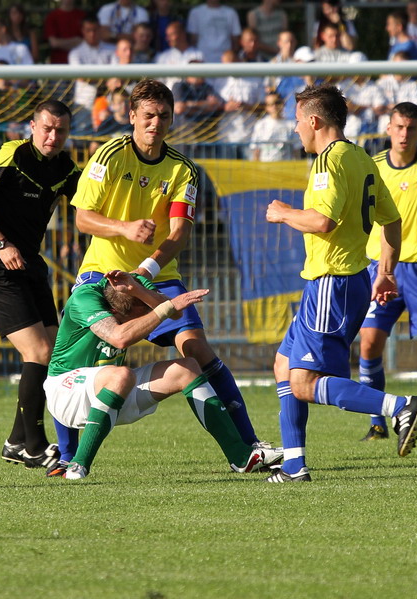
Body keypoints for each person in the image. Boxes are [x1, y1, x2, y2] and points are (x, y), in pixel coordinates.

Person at [64, 78, 280, 473]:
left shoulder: (183, 169)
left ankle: (248, 445)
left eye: (163, 116)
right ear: (132, 116)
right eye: (147, 115)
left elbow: (179, 233)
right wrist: (125, 229)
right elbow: (83, 218)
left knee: (197, 351)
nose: (155, 123)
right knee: (85, 361)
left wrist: (145, 271)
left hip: (157, 274)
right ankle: (65, 457)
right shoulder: (108, 155)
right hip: (102, 274)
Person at [264, 84, 417, 483]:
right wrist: (386, 271)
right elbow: (392, 221)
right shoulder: (362, 158)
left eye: (298, 121)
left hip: (331, 284)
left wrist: (284, 213)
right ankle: (293, 466)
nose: (296, 128)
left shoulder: (329, 161)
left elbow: (322, 221)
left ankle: (399, 406)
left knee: (304, 383)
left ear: (315, 121)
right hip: (346, 281)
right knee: (284, 364)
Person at [45, 271, 270, 479]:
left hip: (112, 389)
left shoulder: (132, 283)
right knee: (121, 375)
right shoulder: (84, 298)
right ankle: (78, 465)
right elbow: (119, 337)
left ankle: (240, 457)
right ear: (115, 312)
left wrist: (138, 290)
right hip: (66, 391)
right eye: (142, 317)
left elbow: (176, 312)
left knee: (188, 368)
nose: (149, 324)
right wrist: (162, 310)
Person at [0, 100, 80, 471]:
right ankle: (34, 446)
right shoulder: (11, 154)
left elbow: (89, 207)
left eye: (60, 130)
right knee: (39, 351)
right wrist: (1, 243)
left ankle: (15, 441)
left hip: (29, 265)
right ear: (32, 125)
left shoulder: (65, 167)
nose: (52, 136)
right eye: (46, 128)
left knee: (53, 351)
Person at [357, 103, 417, 440]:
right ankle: (377, 422)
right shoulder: (372, 168)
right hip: (381, 267)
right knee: (368, 344)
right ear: (388, 129)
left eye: (411, 128)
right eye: (398, 127)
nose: (404, 134)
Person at [249, 92, 296, 161]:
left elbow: (296, 150)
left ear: (282, 104)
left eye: (277, 103)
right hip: (266, 167)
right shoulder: (261, 125)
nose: (274, 106)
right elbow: (256, 150)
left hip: (286, 167)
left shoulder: (291, 124)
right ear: (266, 107)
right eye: (270, 104)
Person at [43, 0, 85, 65]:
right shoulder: (52, 17)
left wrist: (62, 43)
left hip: (81, 63)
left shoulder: (82, 16)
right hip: (59, 64)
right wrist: (76, 40)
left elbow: (87, 41)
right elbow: (54, 43)